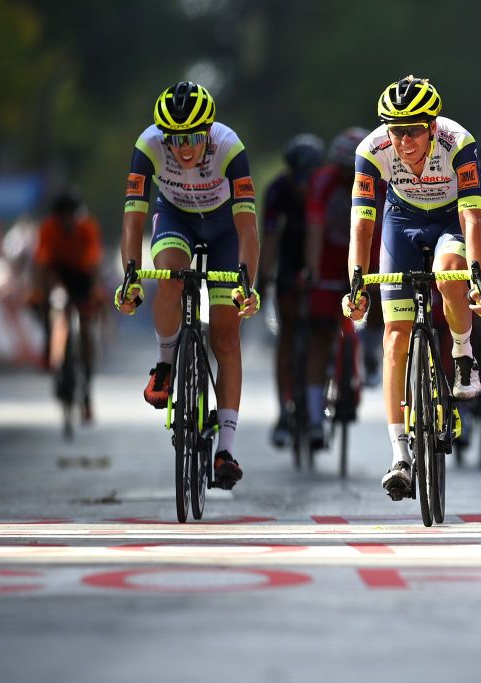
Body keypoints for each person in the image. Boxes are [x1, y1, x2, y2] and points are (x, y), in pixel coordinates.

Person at [341, 75, 481, 498]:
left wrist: (477, 276)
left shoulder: (458, 143)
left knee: (449, 271)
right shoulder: (371, 151)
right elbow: (362, 221)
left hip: (449, 220)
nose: (405, 141)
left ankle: (463, 352)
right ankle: (400, 455)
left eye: (413, 131)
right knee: (394, 336)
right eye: (396, 131)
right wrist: (356, 282)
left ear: (432, 126)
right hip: (401, 222)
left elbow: (474, 218)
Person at [114, 81, 260, 488]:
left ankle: (226, 449)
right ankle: (164, 366)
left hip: (225, 229)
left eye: (194, 137)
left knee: (227, 339)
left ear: (208, 132)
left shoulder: (230, 147)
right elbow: (134, 217)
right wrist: (130, 274)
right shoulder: (147, 146)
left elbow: (248, 229)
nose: (184, 148)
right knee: (170, 280)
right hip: (175, 218)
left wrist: (246, 282)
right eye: (175, 139)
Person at [299, 126, 369, 449]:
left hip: (363, 254)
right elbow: (314, 226)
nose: (348, 176)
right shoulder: (323, 182)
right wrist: (312, 270)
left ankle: (363, 358)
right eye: (344, 170)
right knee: (320, 337)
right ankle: (314, 419)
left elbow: (380, 226)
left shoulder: (376, 182)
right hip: (328, 257)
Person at [261, 133, 325, 448]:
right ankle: (283, 413)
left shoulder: (325, 188)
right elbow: (270, 239)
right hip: (288, 260)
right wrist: (263, 277)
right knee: (287, 333)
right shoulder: (277, 191)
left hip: (323, 258)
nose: (302, 188)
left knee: (320, 331)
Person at [31, 187, 104, 420]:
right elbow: (42, 265)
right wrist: (40, 294)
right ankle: (48, 345)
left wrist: (94, 295)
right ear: (55, 216)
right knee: (46, 304)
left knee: (85, 329)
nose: (66, 220)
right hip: (58, 273)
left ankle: (87, 393)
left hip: (82, 276)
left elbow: (93, 266)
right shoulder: (48, 230)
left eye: (70, 214)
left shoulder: (87, 229)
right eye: (62, 215)